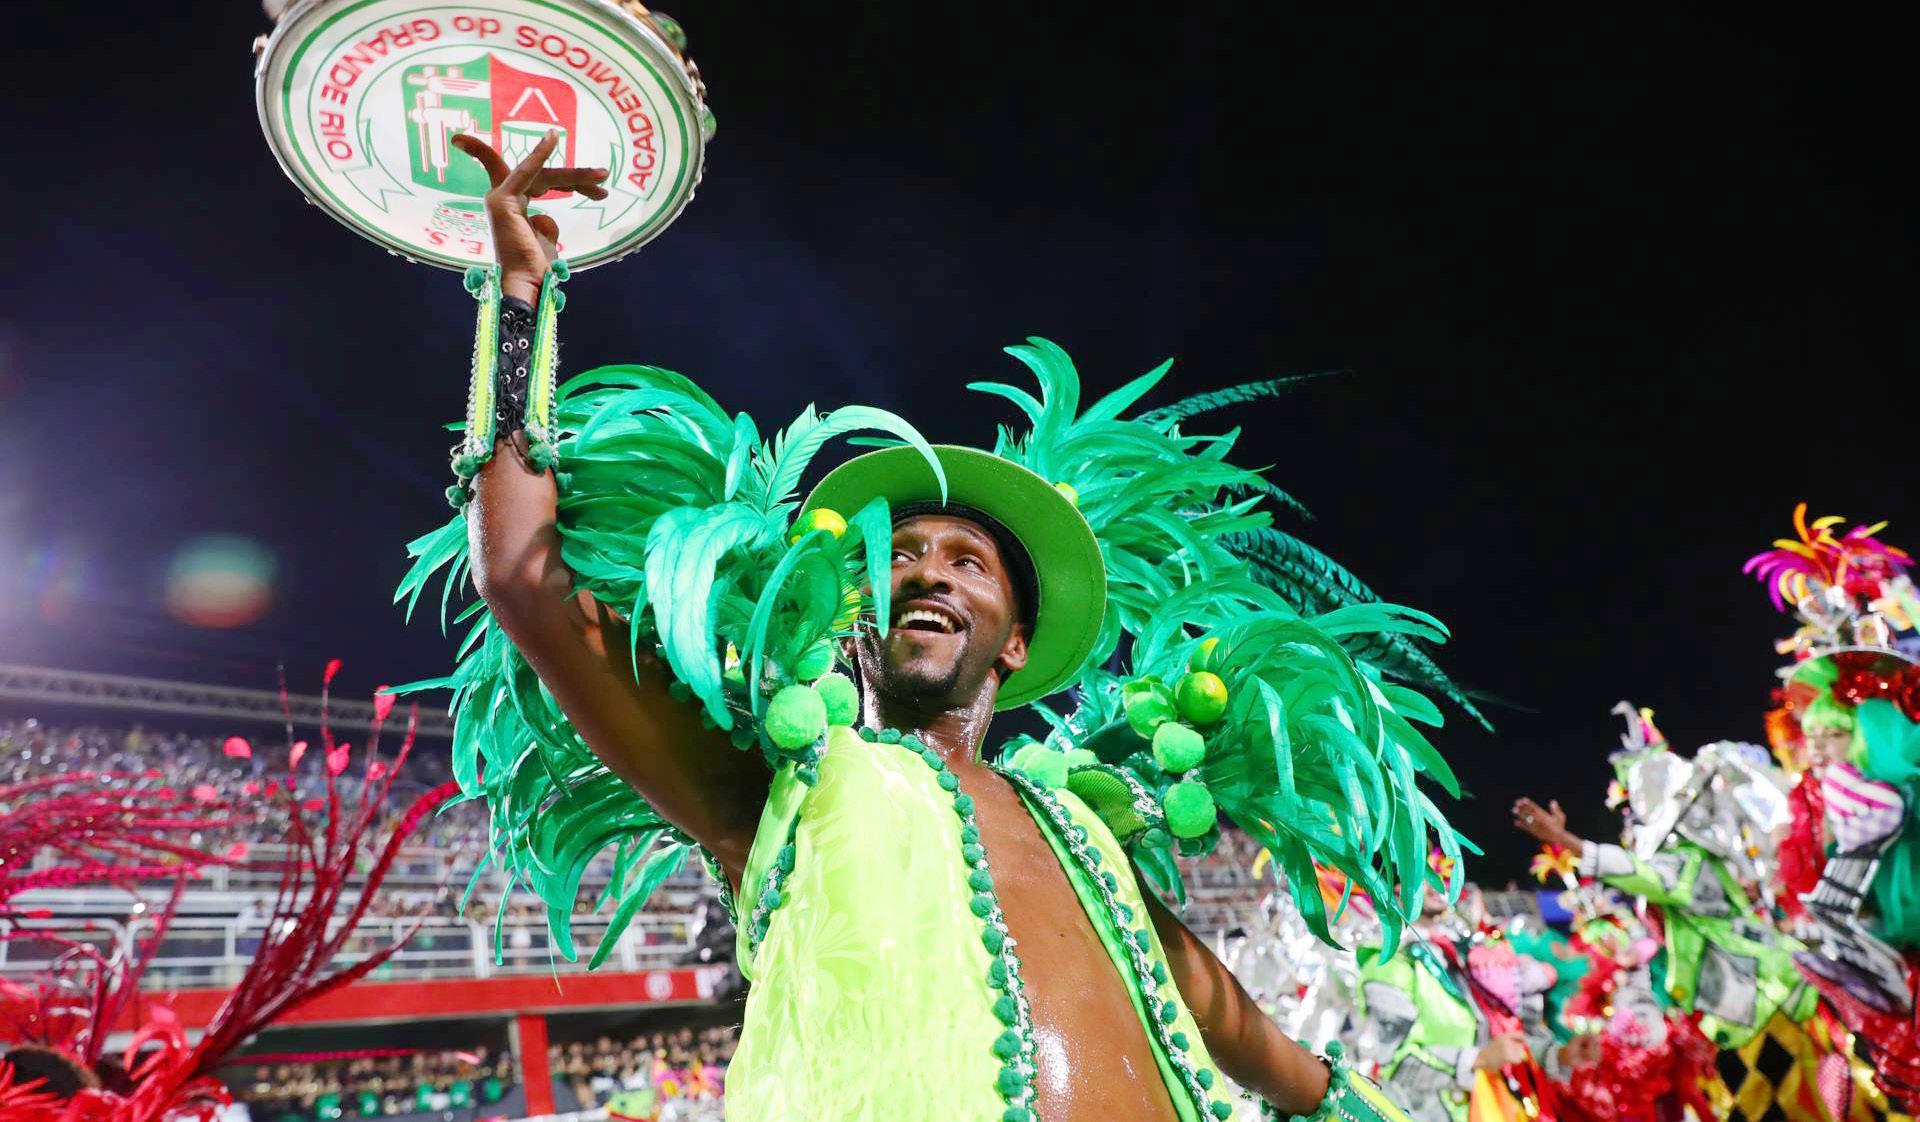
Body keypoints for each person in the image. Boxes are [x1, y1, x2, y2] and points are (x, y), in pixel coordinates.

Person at [401, 127, 1475, 1121]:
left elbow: (1216, 1006)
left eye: (967, 562)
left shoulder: (1078, 828)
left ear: (1016, 641)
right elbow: (525, 580)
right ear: (851, 619)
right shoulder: (778, 788)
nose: (926, 573)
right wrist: (522, 295)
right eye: (896, 556)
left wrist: (1349, 1102)